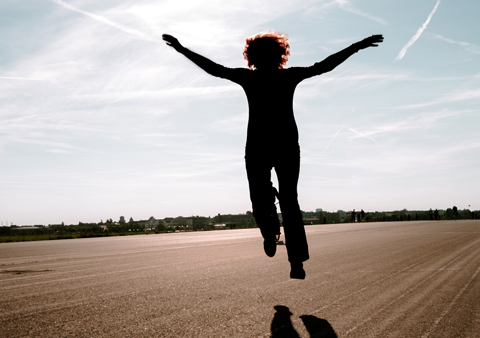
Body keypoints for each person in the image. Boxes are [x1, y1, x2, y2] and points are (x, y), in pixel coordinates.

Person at [163, 31, 383, 279]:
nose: (263, 58)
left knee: (289, 202)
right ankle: (270, 232)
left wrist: (355, 46)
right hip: (260, 148)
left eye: (268, 53)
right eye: (259, 54)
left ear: (277, 55)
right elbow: (215, 69)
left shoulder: (284, 77)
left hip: (284, 147)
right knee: (261, 198)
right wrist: (182, 49)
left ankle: (296, 261)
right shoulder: (250, 78)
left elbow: (324, 67)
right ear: (253, 57)